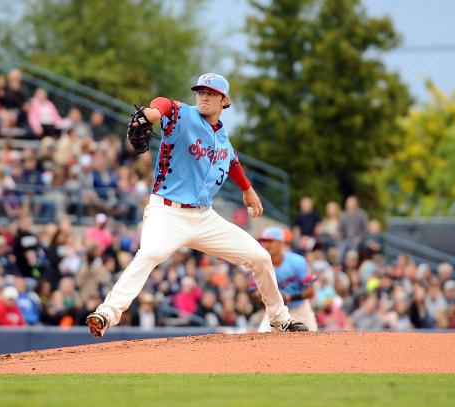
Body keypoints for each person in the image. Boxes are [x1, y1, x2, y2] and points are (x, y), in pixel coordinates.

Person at [85, 73, 307, 337]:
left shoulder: (222, 135)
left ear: (225, 101)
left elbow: (232, 161)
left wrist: (248, 190)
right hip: (166, 212)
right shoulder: (183, 115)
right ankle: (107, 313)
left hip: (204, 217)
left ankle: (280, 318)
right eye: (200, 92)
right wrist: (153, 112)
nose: (204, 96)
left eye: (211, 93)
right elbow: (165, 104)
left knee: (260, 257)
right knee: (150, 254)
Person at [253, 227, 318, 332]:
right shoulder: (260, 265)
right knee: (262, 339)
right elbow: (253, 292)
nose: (266, 244)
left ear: (281, 243)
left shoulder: (298, 261)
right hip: (275, 311)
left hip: (299, 308)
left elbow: (311, 292)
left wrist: (289, 298)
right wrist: (259, 296)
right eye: (263, 241)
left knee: (313, 339)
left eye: (270, 241)